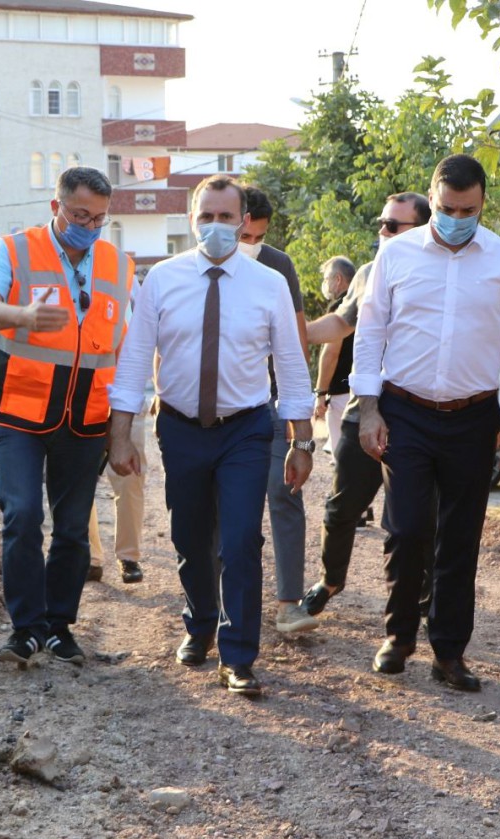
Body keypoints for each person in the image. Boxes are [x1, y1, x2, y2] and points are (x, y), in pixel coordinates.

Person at [108, 175, 315, 696]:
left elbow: (290, 362)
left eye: (227, 217)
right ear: (191, 220)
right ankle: (200, 622)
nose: (217, 227)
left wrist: (302, 438)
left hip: (245, 428)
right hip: (180, 428)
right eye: (207, 217)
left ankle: (238, 655)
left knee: (242, 538)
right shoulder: (162, 279)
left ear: (244, 222)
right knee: (190, 537)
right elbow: (135, 357)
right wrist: (121, 432)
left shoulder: (268, 283)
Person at [352, 156, 500, 692]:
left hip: (473, 416)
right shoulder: (396, 255)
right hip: (405, 410)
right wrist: (369, 409)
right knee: (408, 529)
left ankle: (449, 653)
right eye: (447, 208)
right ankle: (399, 635)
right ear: (431, 199)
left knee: (460, 537)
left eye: (469, 209)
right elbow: (370, 333)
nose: (458, 217)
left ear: (483, 204)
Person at [0, 166, 134, 667]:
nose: (89, 224)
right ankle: (25, 629)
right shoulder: (13, 250)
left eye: (100, 218)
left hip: (85, 418)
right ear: (55, 207)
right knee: (21, 515)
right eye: (80, 213)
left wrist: (123, 430)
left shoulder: (118, 265)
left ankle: (59, 626)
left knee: (71, 530)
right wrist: (22, 315)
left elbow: (126, 347)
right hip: (19, 411)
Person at [300, 193, 431, 616]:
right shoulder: (370, 272)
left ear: (423, 228)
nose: (383, 231)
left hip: (419, 413)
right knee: (341, 509)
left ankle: (423, 602)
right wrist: (293, 329)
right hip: (364, 409)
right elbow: (340, 324)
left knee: (412, 521)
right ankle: (330, 580)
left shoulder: (445, 274)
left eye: (394, 225)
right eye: (382, 222)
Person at [236, 186, 317, 634]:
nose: (250, 244)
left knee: (286, 494)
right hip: (221, 410)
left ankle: (289, 602)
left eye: (258, 236)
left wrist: (299, 415)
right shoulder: (195, 267)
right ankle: (223, 605)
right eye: (244, 234)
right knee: (227, 511)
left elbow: (297, 340)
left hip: (271, 405)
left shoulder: (278, 265)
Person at [86, 404, 148, 584]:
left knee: (130, 480)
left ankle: (128, 557)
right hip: (82, 403)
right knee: (79, 484)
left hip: (126, 403)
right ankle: (90, 557)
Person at [313, 256, 357, 456]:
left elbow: (330, 352)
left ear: (338, 279)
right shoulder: (366, 302)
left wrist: (320, 393)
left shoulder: (341, 307)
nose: (325, 284)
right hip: (365, 388)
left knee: (341, 456)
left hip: (341, 392)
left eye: (326, 278)